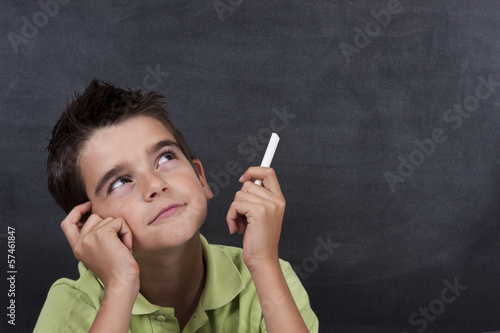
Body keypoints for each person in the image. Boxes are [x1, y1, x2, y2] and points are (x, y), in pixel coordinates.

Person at [34, 79, 318, 332]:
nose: (155, 184)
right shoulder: (71, 305)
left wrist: (263, 263)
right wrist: (120, 288)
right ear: (88, 227)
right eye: (120, 182)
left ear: (201, 177)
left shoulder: (269, 276)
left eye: (165, 158)